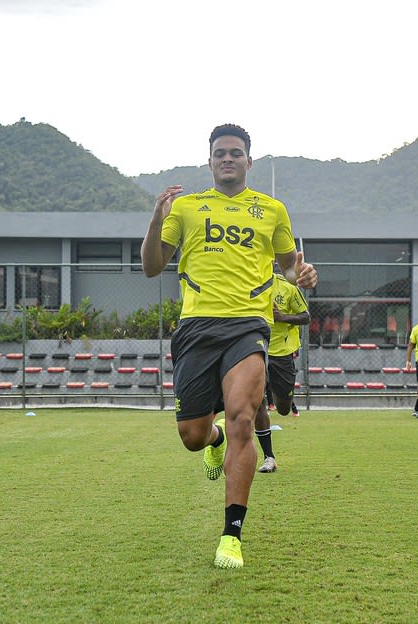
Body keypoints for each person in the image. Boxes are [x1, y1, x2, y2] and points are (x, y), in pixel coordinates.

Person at [141, 123, 317, 569]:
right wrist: (155, 220)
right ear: (210, 160)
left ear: (248, 161)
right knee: (193, 436)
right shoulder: (187, 207)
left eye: (236, 153)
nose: (228, 159)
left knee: (243, 417)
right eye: (220, 152)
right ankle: (213, 440)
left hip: (248, 328)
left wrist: (303, 276)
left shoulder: (272, 210)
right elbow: (150, 267)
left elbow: (288, 271)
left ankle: (231, 536)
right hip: (197, 328)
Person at [254, 262, 311, 473]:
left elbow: (306, 317)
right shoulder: (245, 285)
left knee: (283, 408)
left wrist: (283, 317)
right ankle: (269, 457)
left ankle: (285, 398)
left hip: (281, 353)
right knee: (257, 402)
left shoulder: (288, 287)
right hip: (253, 349)